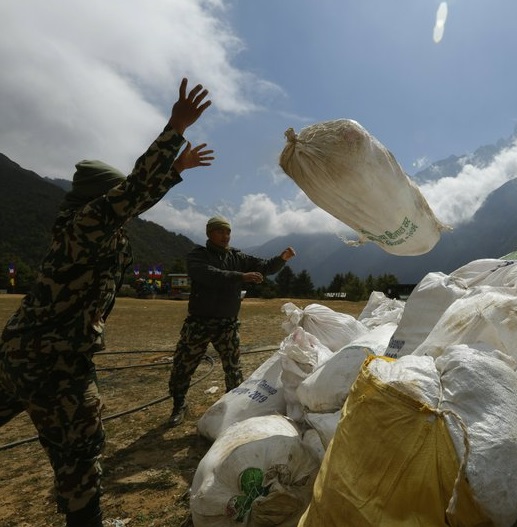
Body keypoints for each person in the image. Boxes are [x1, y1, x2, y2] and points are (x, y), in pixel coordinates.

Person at [0, 78, 213, 526]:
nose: (126, 206)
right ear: (100, 198)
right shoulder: (87, 223)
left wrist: (175, 170)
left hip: (22, 351)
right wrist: (174, 130)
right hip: (55, 361)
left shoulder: (90, 226)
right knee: (81, 451)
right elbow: (133, 191)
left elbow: (137, 196)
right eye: (114, 198)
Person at [167, 216, 296, 426]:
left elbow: (264, 266)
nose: (225, 236)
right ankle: (179, 405)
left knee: (233, 369)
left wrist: (282, 259)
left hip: (227, 323)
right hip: (199, 322)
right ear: (209, 233)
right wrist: (241, 277)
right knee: (183, 366)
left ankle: (232, 407)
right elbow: (208, 274)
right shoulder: (198, 255)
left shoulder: (237, 257)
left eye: (228, 232)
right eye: (220, 232)